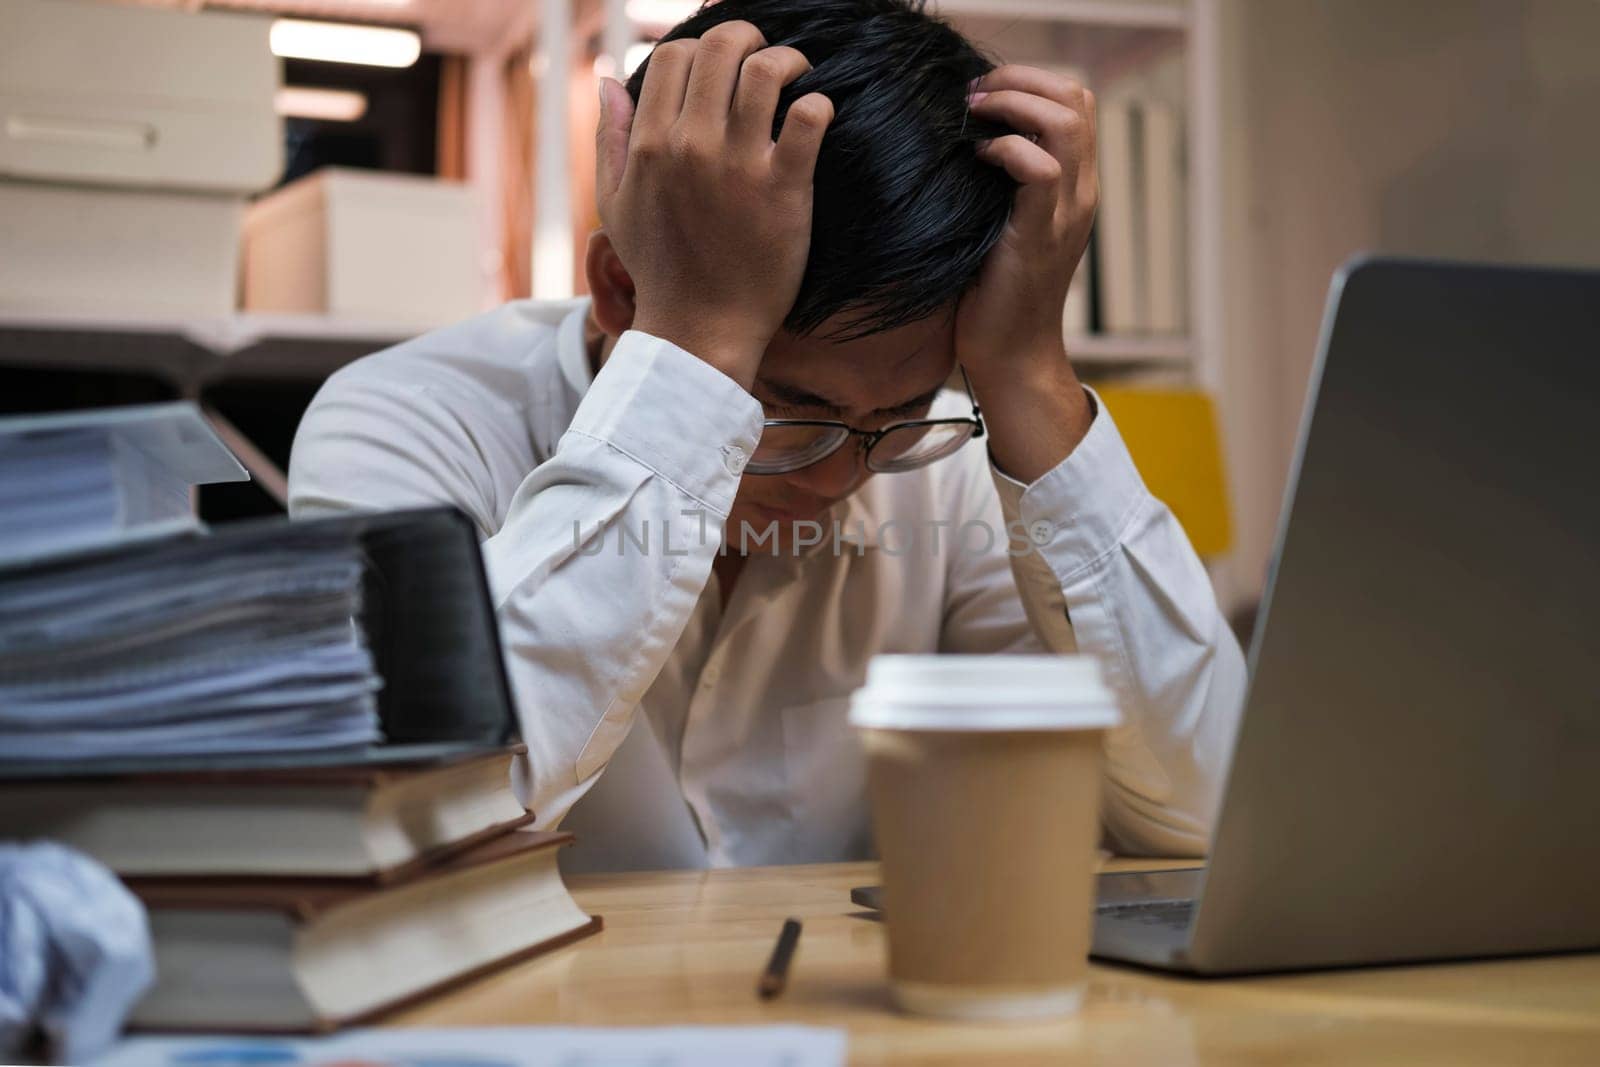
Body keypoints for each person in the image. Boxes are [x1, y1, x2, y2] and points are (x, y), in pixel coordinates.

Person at [288, 0, 1246, 869]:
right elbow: (402, 818)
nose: (840, 476)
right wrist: (695, 350)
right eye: (791, 411)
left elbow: (1199, 813)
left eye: (896, 416)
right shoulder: (405, 423)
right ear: (622, 292)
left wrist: (1028, 371)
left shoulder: (934, 467)